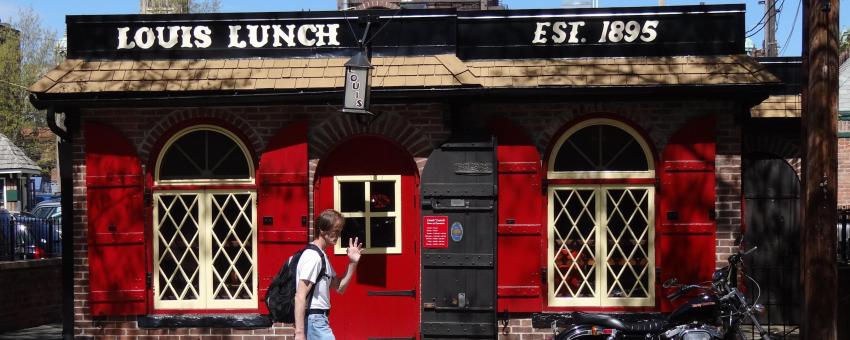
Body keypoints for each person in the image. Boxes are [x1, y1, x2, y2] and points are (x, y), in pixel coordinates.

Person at [295, 209, 363, 340]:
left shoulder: (322, 256)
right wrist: (299, 333)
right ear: (322, 230)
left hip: (320, 319)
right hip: (314, 320)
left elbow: (339, 287)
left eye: (339, 231)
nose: (338, 234)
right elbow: (300, 295)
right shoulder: (313, 257)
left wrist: (353, 263)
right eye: (335, 230)